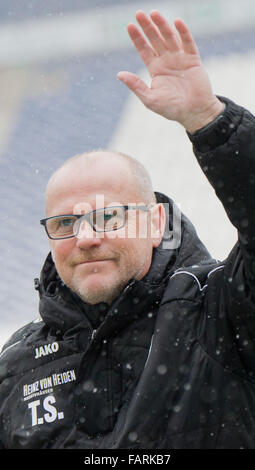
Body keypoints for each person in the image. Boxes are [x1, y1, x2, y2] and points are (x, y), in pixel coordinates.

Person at [0, 9, 255, 449]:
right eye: (65, 223)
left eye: (107, 216)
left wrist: (209, 121)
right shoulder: (17, 366)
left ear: (156, 222)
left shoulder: (221, 310)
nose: (85, 238)